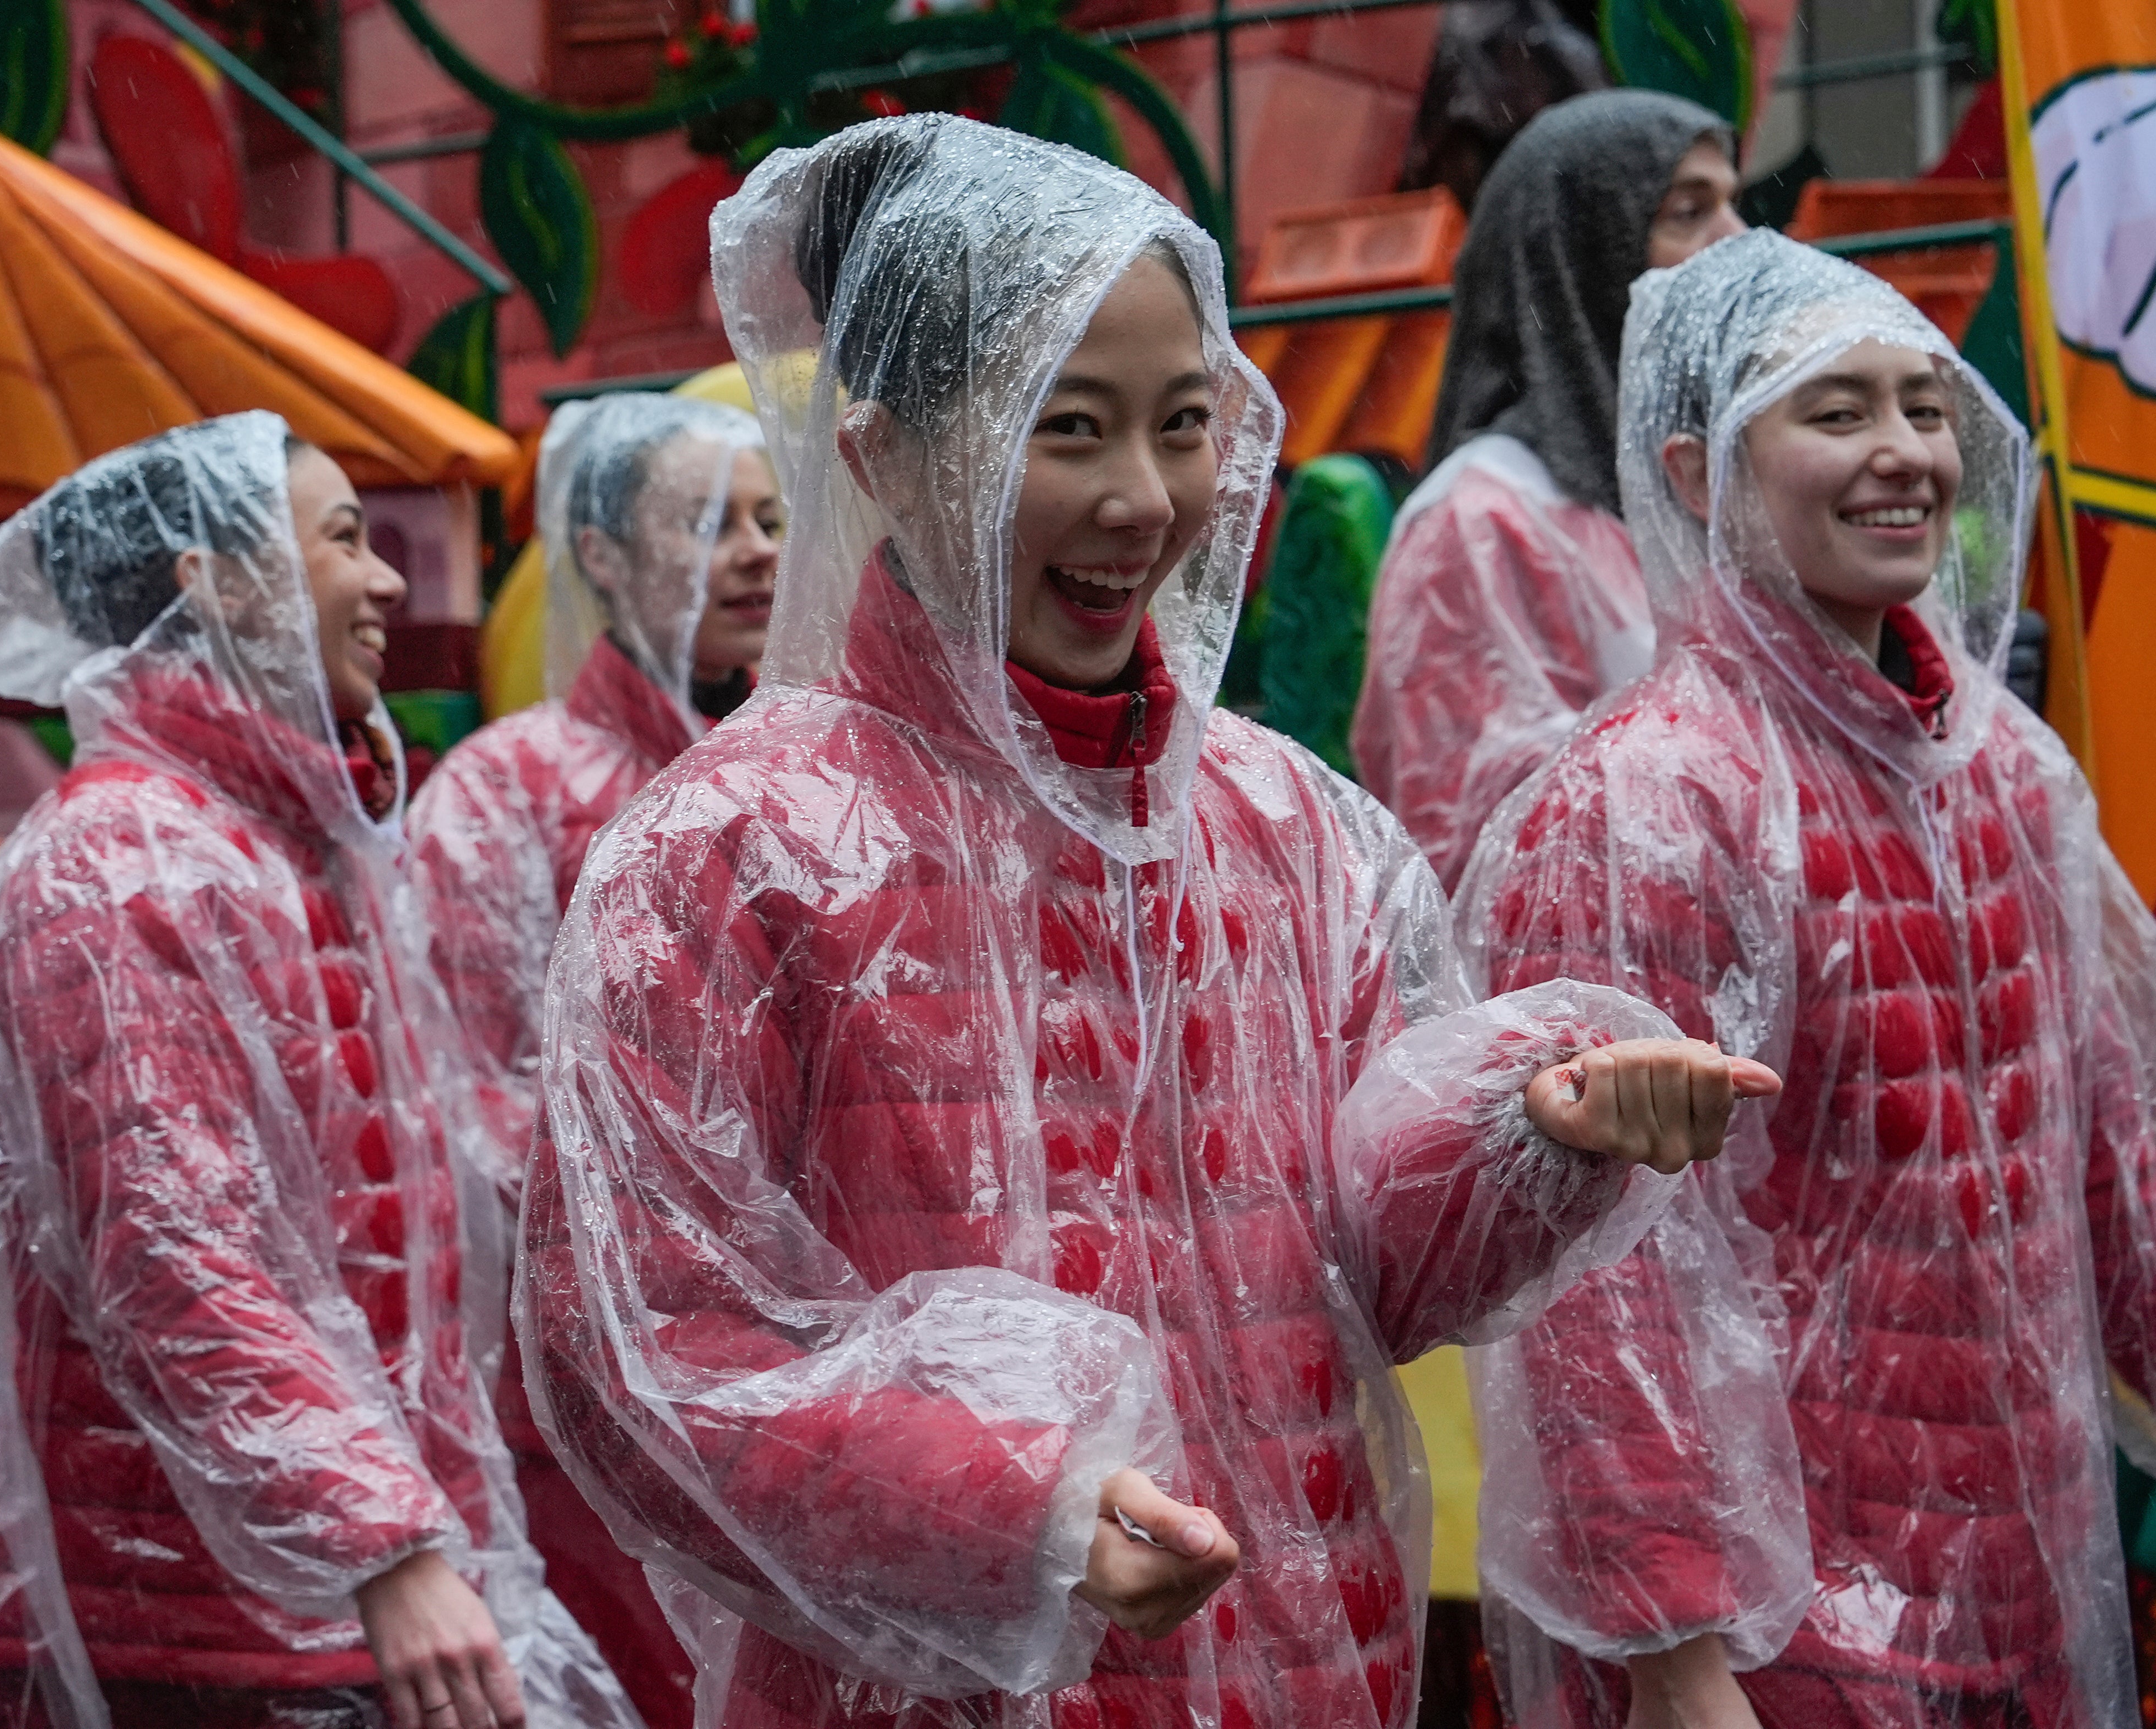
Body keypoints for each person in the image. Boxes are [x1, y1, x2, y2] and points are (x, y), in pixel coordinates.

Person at [514, 114, 1778, 1729]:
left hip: (1312, 1666)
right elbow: (646, 1350)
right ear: (883, 457)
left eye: (1182, 425)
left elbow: (1352, 1265)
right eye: (1065, 427)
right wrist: (1014, 1505)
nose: (1141, 498)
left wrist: (1531, 1128)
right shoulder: (725, 852)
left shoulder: (1287, 822)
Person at [1453, 230, 2156, 1728]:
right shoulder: (1643, 810)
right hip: (1779, 1630)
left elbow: (2105, 1154)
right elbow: (1596, 1287)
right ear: (1697, 474)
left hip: (2017, 1579)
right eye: (1834, 411)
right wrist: (1681, 1656)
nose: (1902, 454)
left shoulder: (2001, 773)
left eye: (1924, 405)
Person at [0, 415, 639, 1729]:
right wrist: (387, 1545)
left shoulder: (298, 841)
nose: (391, 580)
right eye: (344, 538)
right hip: (193, 1632)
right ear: (216, 578)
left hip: (319, 1605)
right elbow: (171, 1253)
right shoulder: (123, 866)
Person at [408, 396, 780, 1729]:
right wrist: (668, 1285)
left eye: (770, 520)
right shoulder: (503, 794)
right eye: (705, 521)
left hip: (779, 1406)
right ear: (602, 557)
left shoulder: (796, 788)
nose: (752, 554)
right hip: (578, 1406)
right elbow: (472, 1104)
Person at [1353, 90, 1743, 893]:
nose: (1737, 242)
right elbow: (1476, 854)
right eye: (1687, 211)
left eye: (1732, 204)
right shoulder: (1482, 525)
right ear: (1581, 256)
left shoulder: (1697, 484)